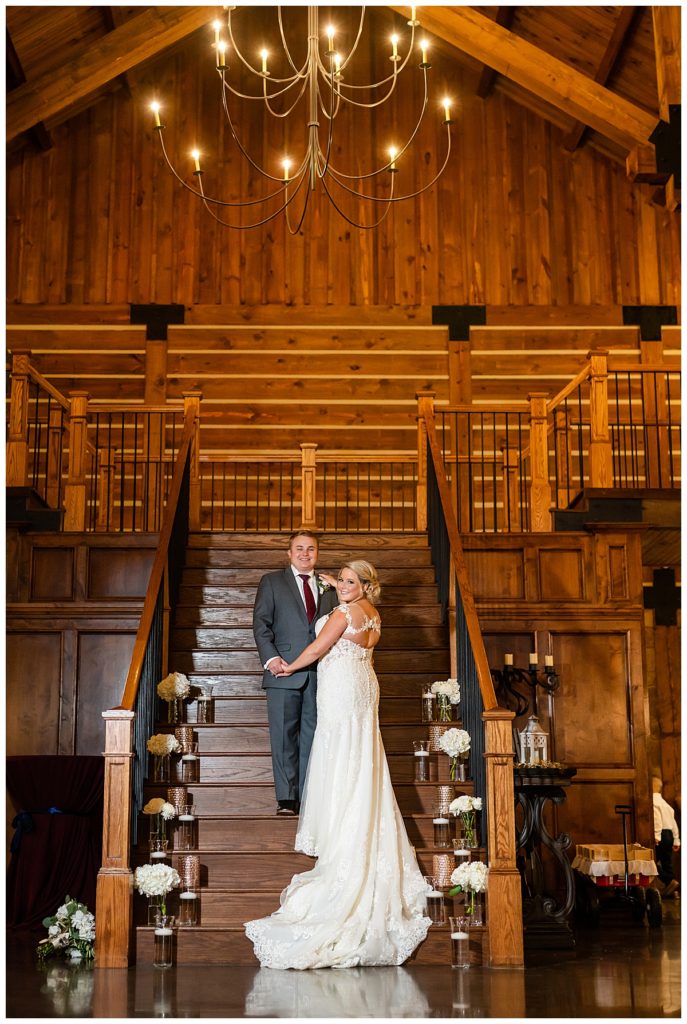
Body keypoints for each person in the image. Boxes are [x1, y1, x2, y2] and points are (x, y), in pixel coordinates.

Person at [245, 560, 431, 969]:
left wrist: (289, 667)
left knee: (337, 749)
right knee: (360, 753)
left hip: (341, 691)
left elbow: (316, 648)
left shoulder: (344, 614)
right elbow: (351, 603)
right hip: (363, 688)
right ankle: (356, 816)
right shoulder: (373, 615)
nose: (342, 587)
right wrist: (336, 581)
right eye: (340, 581)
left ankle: (341, 828)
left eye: (350, 582)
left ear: (365, 585)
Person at [253, 530, 339, 816]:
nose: (305, 553)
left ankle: (308, 795)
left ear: (318, 553)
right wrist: (272, 659)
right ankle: (287, 799)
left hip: (320, 672)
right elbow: (261, 625)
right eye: (299, 549)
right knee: (283, 736)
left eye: (311, 549)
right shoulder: (272, 582)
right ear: (289, 553)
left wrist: (338, 587)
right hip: (283, 671)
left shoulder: (330, 587)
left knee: (313, 737)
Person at [653, 776, 680, 897]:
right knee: (667, 863)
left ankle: (670, 881)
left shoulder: (653, 801)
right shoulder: (665, 804)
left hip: (660, 834)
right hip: (669, 834)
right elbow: (673, 823)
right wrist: (676, 840)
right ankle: (674, 892)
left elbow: (657, 820)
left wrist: (657, 836)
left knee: (651, 863)